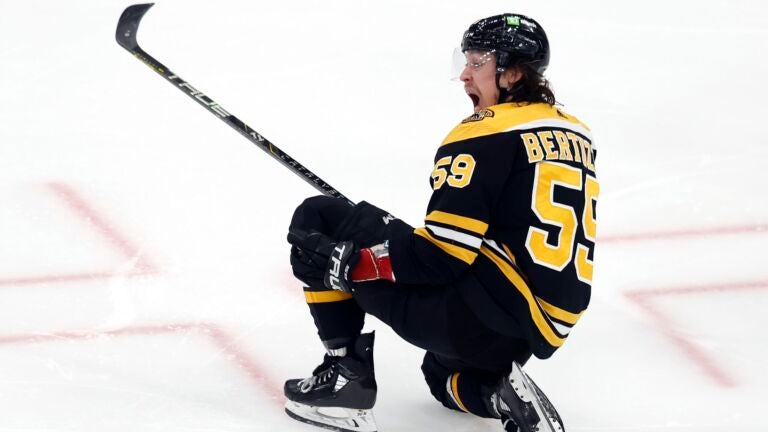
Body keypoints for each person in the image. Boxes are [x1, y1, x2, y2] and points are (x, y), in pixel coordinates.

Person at [283, 13, 598, 432]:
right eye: (464, 61)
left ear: (514, 72)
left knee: (318, 219)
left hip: (472, 315)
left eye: (478, 63)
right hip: (526, 336)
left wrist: (355, 262)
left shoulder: (483, 133)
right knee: (441, 378)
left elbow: (440, 257)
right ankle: (504, 398)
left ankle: (345, 383)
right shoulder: (577, 134)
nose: (465, 75)